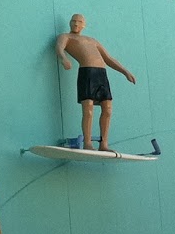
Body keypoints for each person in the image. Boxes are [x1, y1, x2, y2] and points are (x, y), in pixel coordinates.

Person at [54, 14, 136, 152]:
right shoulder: (66, 37)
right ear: (70, 23)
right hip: (87, 73)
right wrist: (63, 59)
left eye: (79, 21)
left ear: (84, 25)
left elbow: (108, 58)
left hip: (101, 74)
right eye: (73, 21)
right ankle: (88, 143)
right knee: (88, 109)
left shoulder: (92, 40)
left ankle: (104, 144)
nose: (76, 24)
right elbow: (59, 48)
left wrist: (125, 71)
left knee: (107, 109)